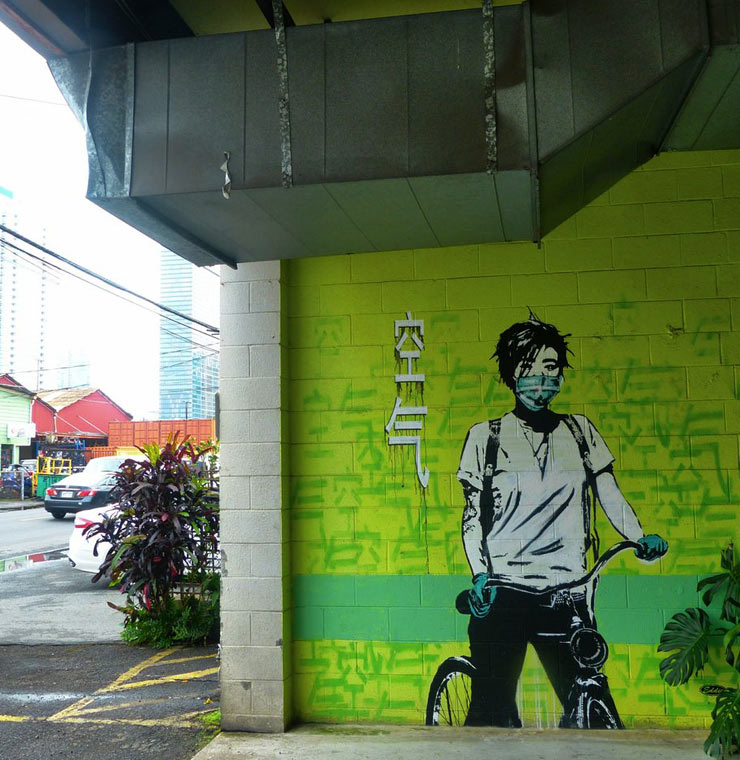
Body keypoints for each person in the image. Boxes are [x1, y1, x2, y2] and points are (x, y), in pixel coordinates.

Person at [456, 313, 668, 728]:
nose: (542, 378)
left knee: (590, 699)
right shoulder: (486, 437)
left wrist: (640, 537)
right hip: (505, 593)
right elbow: (472, 518)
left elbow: (609, 493)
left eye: (551, 368)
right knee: (492, 713)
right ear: (512, 375)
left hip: (568, 594)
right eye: (529, 368)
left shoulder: (580, 431)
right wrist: (480, 574)